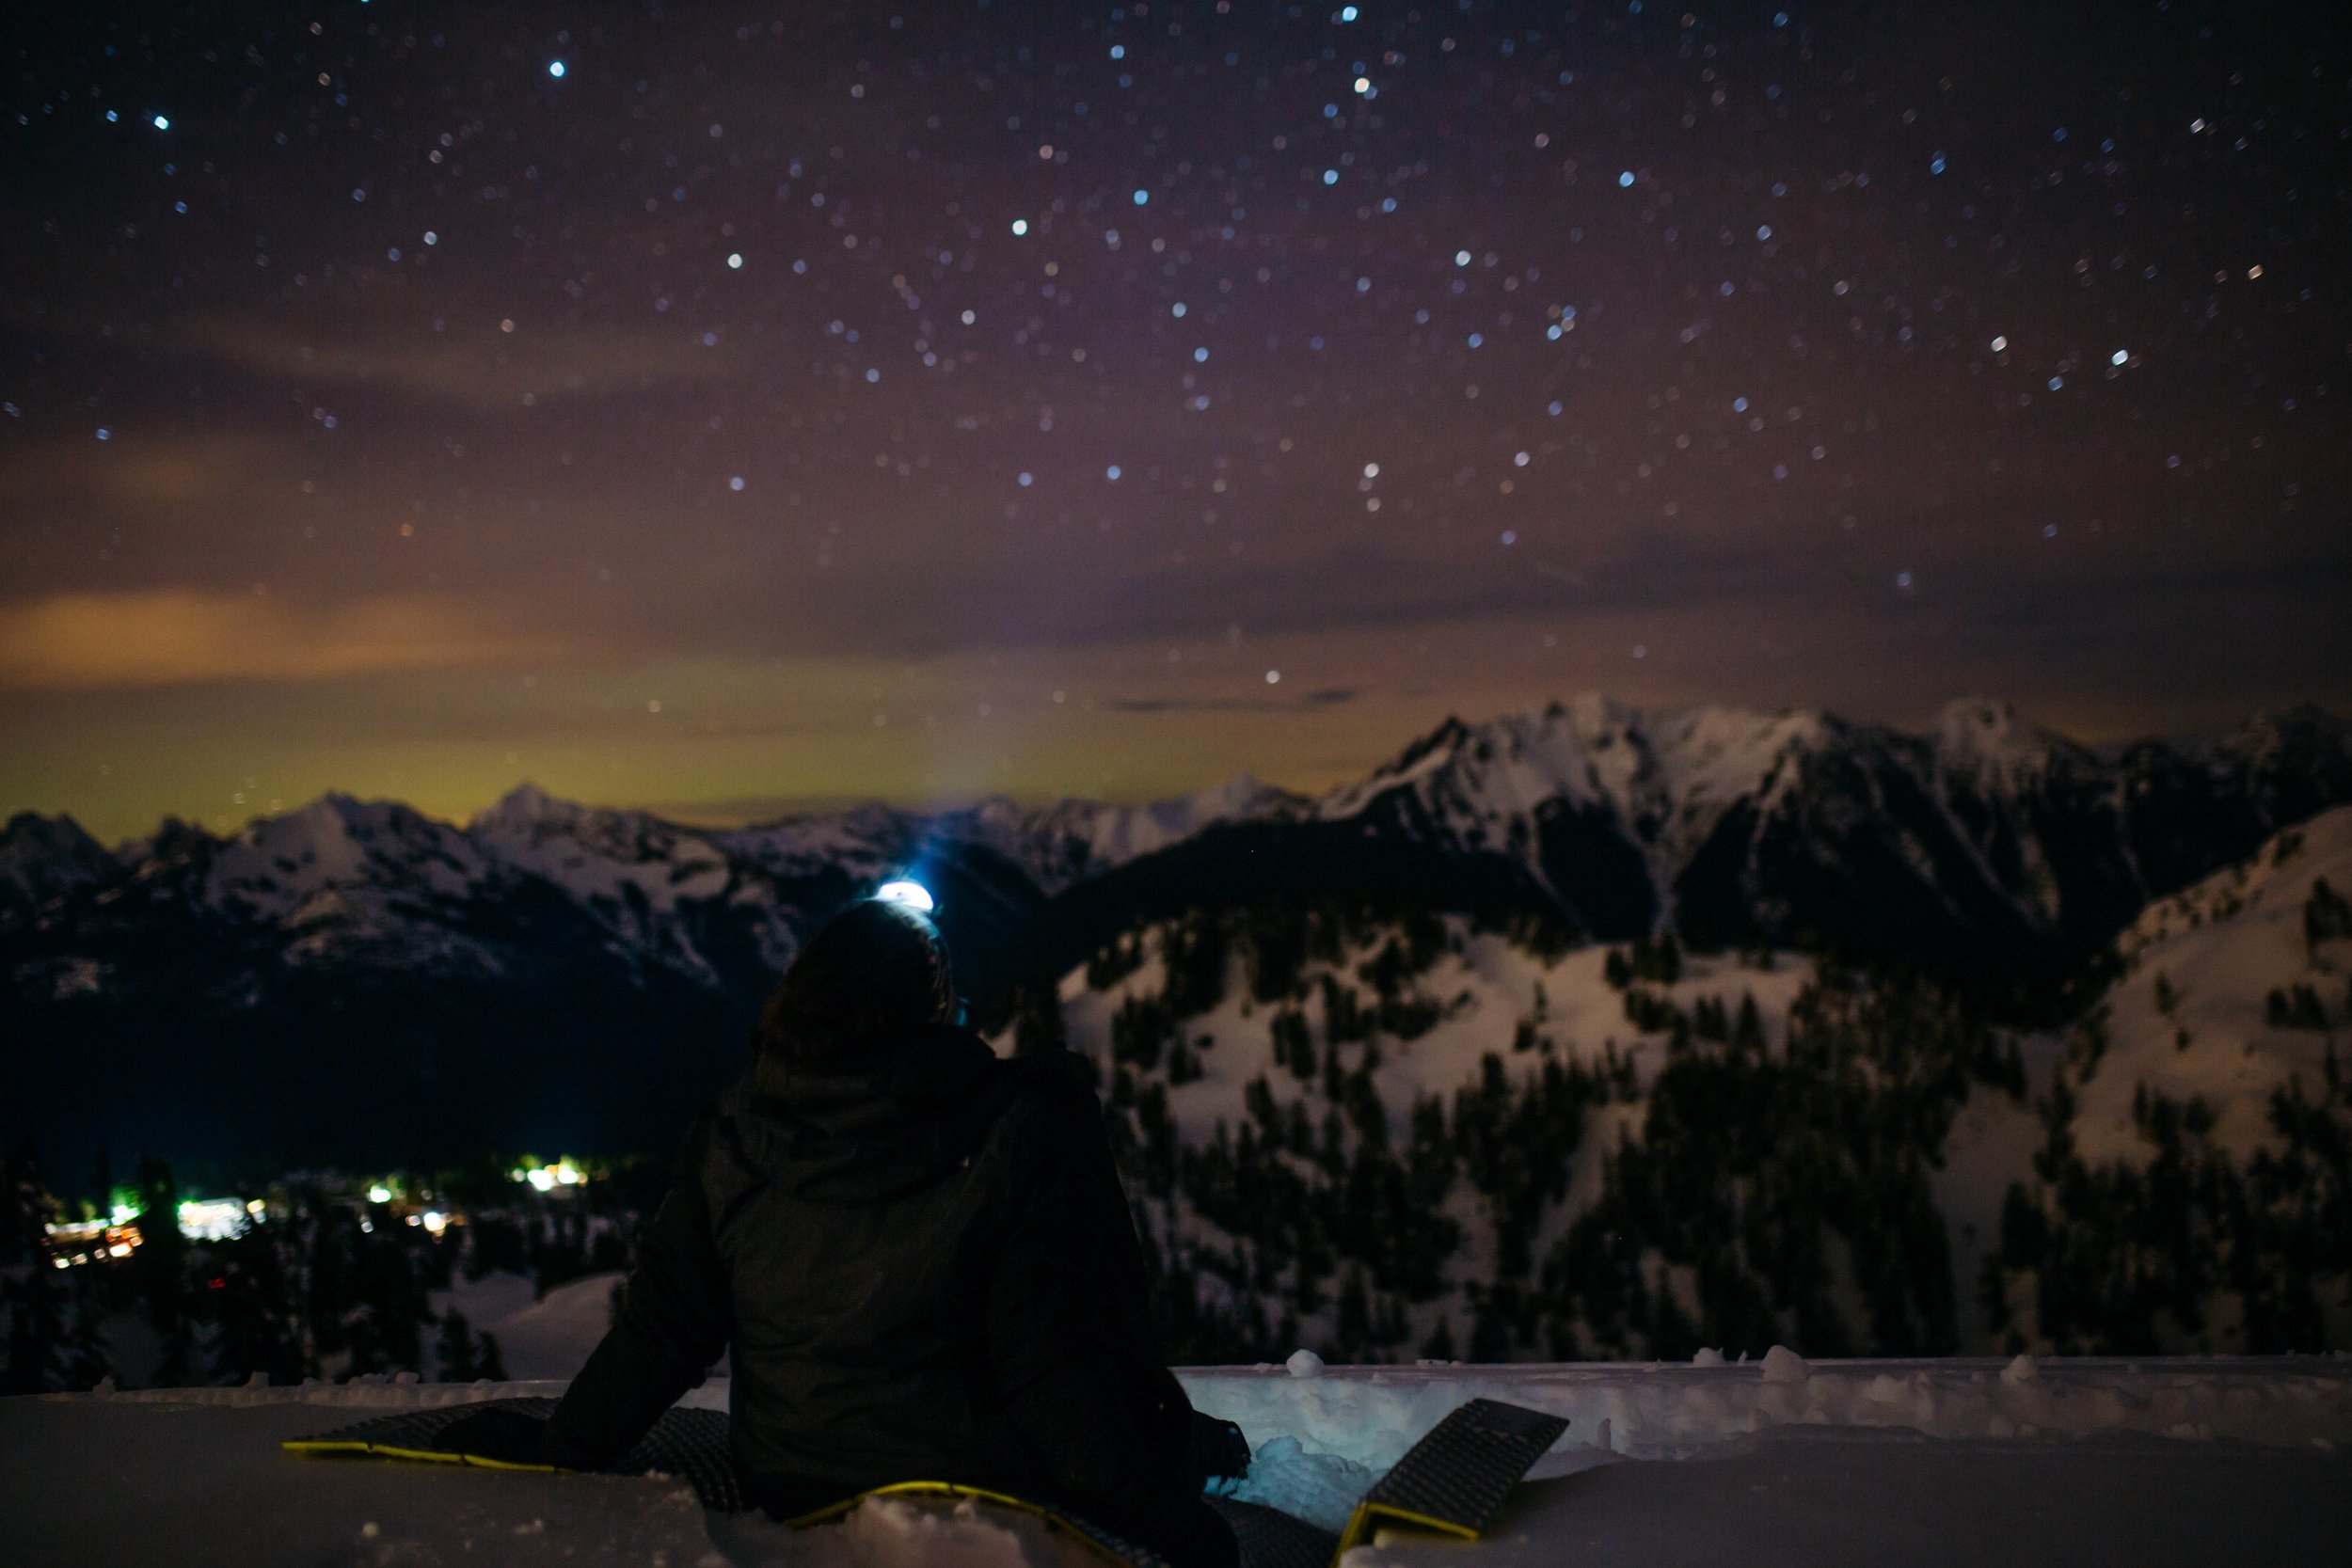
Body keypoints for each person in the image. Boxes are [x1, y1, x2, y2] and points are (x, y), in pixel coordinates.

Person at [436, 895, 1244, 1567]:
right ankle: (1194, 1448)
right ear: (932, 1010)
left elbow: (662, 1330)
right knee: (1180, 1448)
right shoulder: (1012, 1131)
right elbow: (1051, 1374)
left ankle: (1186, 1446)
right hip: (976, 1488)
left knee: (1174, 1443)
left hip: (787, 1478)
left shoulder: (733, 1132)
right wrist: (1174, 1527)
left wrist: (564, 1446)